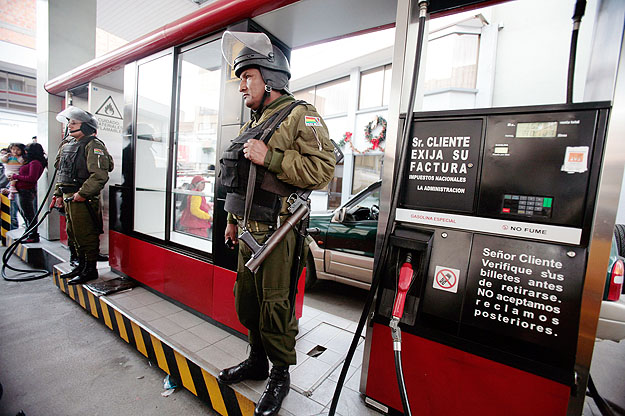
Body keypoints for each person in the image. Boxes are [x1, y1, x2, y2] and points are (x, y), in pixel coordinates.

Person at [217, 31, 335, 416]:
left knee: (276, 306)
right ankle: (256, 361)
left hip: (279, 234)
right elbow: (242, 181)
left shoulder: (301, 114)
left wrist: (271, 157)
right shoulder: (254, 122)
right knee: (248, 302)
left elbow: (323, 170)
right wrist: (234, 220)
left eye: (246, 77)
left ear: (270, 78)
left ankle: (280, 375)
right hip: (249, 232)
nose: (242, 87)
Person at [51, 106, 113, 285]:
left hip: (83, 198)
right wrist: (58, 194)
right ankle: (80, 266)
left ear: (86, 126)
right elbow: (62, 172)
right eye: (69, 122)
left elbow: (99, 175)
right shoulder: (67, 145)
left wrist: (82, 194)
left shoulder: (94, 145)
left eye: (74, 123)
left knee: (86, 234)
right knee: (73, 234)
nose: (69, 126)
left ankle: (90, 269)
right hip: (69, 196)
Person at [11, 143, 47, 243]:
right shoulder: (32, 162)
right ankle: (28, 233)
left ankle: (33, 235)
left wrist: (16, 177)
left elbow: (32, 178)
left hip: (26, 191)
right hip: (22, 190)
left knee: (28, 214)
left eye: (27, 150)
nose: (25, 152)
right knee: (25, 214)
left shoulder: (35, 163)